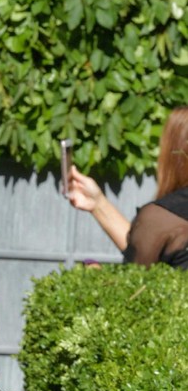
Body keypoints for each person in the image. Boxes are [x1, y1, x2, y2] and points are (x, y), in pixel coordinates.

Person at [67, 107, 188, 269]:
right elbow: (150, 245)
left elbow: (137, 284)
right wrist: (98, 204)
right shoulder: (165, 222)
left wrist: (96, 277)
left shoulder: (161, 218)